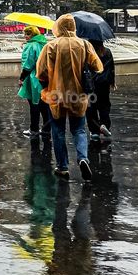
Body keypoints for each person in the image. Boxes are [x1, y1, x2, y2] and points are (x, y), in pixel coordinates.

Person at [36, 14, 103, 181]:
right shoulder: (84, 44)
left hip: (56, 95)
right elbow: (98, 67)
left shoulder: (51, 46)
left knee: (58, 131)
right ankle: (82, 158)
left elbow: (41, 72)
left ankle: (62, 167)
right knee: (79, 130)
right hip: (78, 96)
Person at [18, 26, 51, 137]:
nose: (25, 36)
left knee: (34, 104)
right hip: (44, 78)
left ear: (32, 35)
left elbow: (28, 65)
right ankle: (47, 129)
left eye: (27, 34)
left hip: (33, 78)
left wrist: (22, 78)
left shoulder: (31, 46)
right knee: (44, 105)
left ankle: (34, 129)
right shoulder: (44, 44)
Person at [85, 39, 116, 141]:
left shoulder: (88, 53)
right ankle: (104, 124)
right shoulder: (107, 51)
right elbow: (111, 68)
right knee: (104, 105)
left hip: (91, 85)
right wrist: (112, 82)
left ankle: (94, 131)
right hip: (104, 84)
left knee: (91, 108)